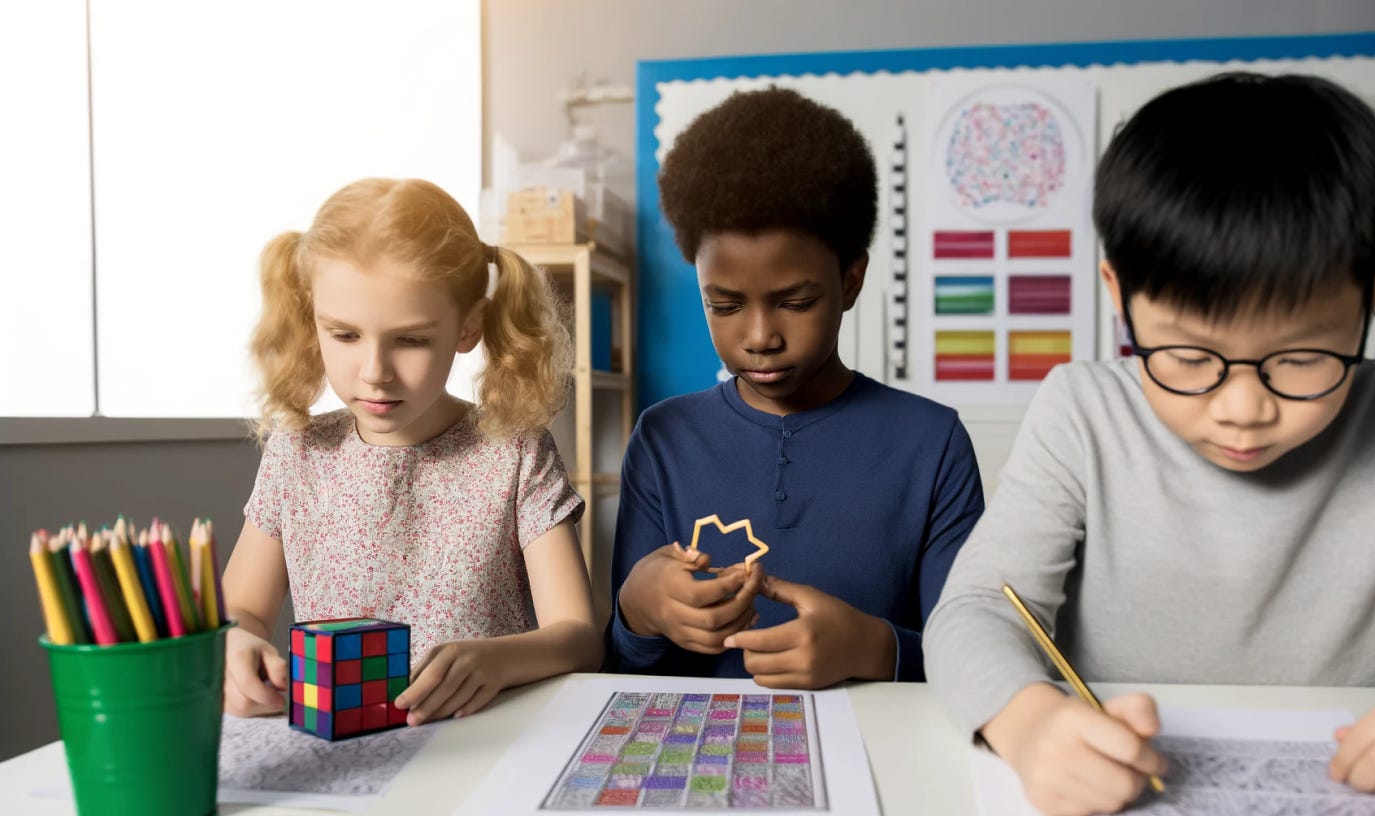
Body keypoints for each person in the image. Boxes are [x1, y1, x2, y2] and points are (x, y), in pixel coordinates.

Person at [924, 72, 1375, 816]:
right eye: (1188, 358)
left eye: (1302, 360)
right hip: (1130, 794)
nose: (1243, 411)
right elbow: (976, 609)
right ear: (1119, 294)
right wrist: (1029, 722)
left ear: (1374, 293)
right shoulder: (1084, 412)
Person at [609, 87, 986, 687]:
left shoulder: (931, 443)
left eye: (796, 302)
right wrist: (637, 610)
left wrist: (876, 650)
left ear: (852, 280)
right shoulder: (663, 439)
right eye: (725, 305)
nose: (760, 336)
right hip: (698, 759)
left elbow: (977, 658)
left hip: (876, 754)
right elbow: (624, 666)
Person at [222, 177, 601, 725]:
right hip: (347, 753)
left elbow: (579, 639)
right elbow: (243, 609)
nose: (375, 373)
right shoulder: (296, 452)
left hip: (486, 745)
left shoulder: (515, 454)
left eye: (412, 340)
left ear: (468, 326)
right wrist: (236, 643)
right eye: (345, 336)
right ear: (313, 320)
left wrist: (496, 659)